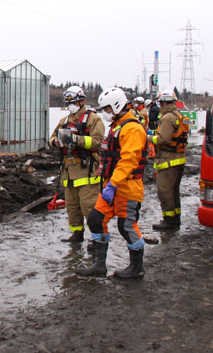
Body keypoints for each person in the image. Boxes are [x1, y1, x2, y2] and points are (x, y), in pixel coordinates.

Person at [76, 87, 147, 279]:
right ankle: (99, 265)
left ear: (116, 105)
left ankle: (136, 267)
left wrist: (113, 184)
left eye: (107, 109)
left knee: (127, 226)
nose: (106, 114)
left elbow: (128, 161)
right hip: (111, 186)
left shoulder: (132, 128)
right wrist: (108, 184)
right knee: (96, 220)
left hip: (127, 187)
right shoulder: (117, 125)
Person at [48, 86, 105, 243]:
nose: (70, 106)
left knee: (89, 207)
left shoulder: (93, 119)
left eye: (72, 102)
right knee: (72, 207)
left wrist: (75, 139)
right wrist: (56, 142)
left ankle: (97, 240)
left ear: (81, 101)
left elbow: (97, 142)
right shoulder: (64, 121)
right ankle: (77, 233)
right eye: (68, 103)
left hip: (86, 171)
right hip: (68, 171)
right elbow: (50, 139)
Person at [148, 90, 190, 230]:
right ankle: (175, 218)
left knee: (164, 190)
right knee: (174, 191)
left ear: (165, 102)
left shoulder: (167, 118)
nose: (159, 106)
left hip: (168, 160)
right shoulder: (179, 115)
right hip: (179, 159)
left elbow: (163, 139)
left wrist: (148, 138)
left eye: (160, 103)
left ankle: (168, 220)